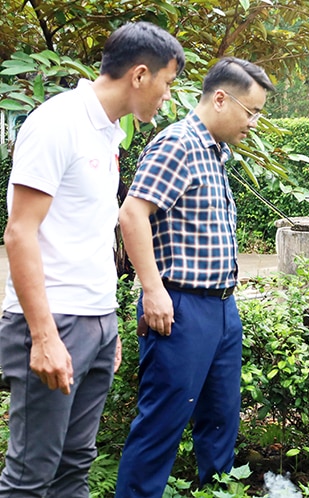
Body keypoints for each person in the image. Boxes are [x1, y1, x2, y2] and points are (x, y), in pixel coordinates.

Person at [0, 22, 183, 497]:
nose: (166, 95)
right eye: (167, 82)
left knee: (73, 466)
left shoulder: (106, 133)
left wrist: (108, 324)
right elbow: (20, 233)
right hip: (52, 320)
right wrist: (42, 337)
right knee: (31, 475)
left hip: (93, 322)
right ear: (140, 76)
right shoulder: (57, 123)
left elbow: (90, 233)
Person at [114, 57, 274, 498]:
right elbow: (132, 213)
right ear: (221, 98)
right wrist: (153, 290)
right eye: (251, 111)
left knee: (220, 419)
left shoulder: (214, 153)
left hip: (222, 307)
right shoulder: (178, 144)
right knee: (162, 424)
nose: (254, 122)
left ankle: (218, 492)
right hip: (181, 308)